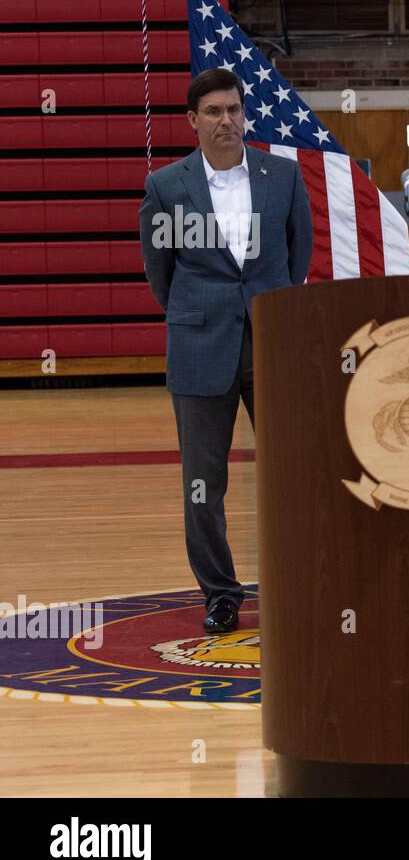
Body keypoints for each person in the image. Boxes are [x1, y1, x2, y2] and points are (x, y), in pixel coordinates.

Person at [139, 67, 312, 633]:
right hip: (199, 348)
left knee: (294, 472)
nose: (226, 120)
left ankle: (300, 583)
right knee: (203, 485)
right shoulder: (166, 186)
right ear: (193, 121)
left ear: (246, 114)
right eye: (213, 112)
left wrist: (267, 310)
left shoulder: (282, 177)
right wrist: (202, 313)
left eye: (234, 109)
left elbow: (298, 256)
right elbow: (160, 275)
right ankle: (220, 594)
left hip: (272, 345)